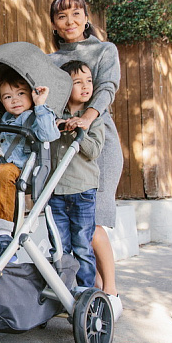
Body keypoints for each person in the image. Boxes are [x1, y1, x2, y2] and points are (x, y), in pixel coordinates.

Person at [48, 0, 124, 318]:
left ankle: (111, 294)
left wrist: (87, 119)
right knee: (70, 230)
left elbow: (107, 88)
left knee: (92, 225)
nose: (70, 21)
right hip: (64, 146)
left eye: (76, 14)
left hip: (98, 141)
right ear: (54, 23)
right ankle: (87, 296)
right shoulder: (50, 60)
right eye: (62, 16)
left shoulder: (104, 50)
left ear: (86, 17)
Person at [0, 67, 60, 254]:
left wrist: (40, 105)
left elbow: (49, 134)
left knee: (4, 171)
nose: (14, 100)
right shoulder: (2, 118)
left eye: (21, 93)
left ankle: (3, 234)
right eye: (7, 97)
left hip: (21, 170)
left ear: (31, 94)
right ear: (2, 101)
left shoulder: (36, 117)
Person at [50, 60, 105, 288]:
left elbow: (94, 151)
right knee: (59, 247)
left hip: (83, 190)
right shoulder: (53, 114)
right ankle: (63, 291)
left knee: (82, 246)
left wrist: (78, 130)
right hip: (55, 191)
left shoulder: (94, 117)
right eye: (78, 82)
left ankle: (85, 292)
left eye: (89, 81)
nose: (86, 86)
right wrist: (56, 125)